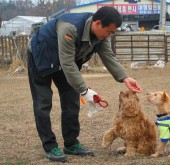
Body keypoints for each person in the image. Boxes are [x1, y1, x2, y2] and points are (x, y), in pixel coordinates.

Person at [27, 6, 142, 162]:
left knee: (71, 101)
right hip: (41, 56)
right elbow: (67, 63)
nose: (110, 35)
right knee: (43, 103)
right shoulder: (70, 28)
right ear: (98, 24)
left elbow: (108, 55)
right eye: (109, 31)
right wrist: (85, 90)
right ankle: (50, 145)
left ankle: (71, 143)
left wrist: (125, 78)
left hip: (66, 61)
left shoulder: (101, 36)